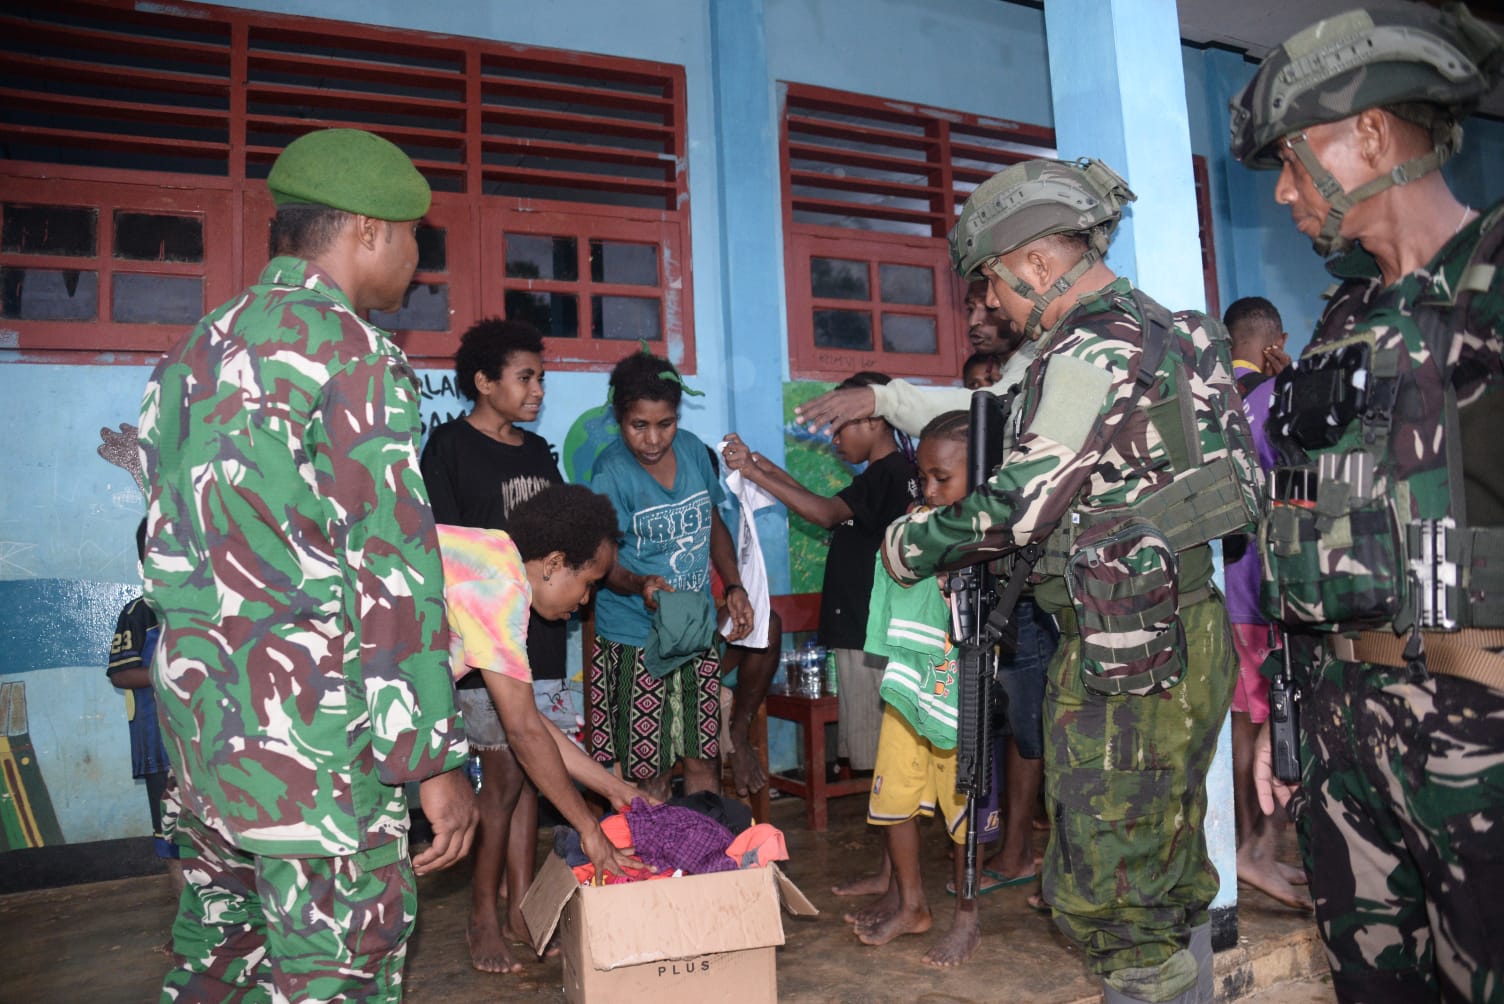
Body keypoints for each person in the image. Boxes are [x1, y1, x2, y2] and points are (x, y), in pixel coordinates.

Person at [809, 157, 1260, 1004]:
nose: (995, 308)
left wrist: (914, 543)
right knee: (1165, 856)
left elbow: (1018, 504)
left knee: (1113, 887)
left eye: (996, 288)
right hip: (1186, 627)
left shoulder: (1088, 346)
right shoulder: (1173, 329)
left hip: (1124, 652)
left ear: (1041, 265)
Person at [138, 127, 479, 1001]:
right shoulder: (353, 354)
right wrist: (431, 761)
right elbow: (391, 575)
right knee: (336, 972)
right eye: (413, 237)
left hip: (211, 739)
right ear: (367, 230)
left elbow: (168, 548)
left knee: (217, 962)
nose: (416, 260)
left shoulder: (194, 353)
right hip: (319, 753)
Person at [1230, 6, 1504, 999]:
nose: (1284, 189)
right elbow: (1304, 525)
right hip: (1342, 730)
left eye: (1296, 160)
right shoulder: (1342, 321)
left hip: (1478, 727)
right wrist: (1286, 714)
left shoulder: (1490, 276)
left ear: (1373, 134)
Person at [722, 371, 920, 895]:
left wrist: (758, 474)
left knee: (886, 763)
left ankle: (900, 880)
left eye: (839, 428)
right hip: (864, 635)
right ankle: (890, 873)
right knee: (881, 762)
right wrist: (756, 464)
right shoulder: (882, 473)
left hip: (875, 637)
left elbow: (826, 513)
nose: (835, 441)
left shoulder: (893, 472)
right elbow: (821, 503)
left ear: (875, 419)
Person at [419, 317, 567, 973]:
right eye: (525, 377)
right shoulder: (447, 448)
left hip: (542, 634)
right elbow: (442, 555)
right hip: (482, 645)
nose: (537, 389)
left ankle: (519, 906)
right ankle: (482, 917)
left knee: (532, 780)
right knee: (504, 780)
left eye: (541, 377)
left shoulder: (537, 453)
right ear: (483, 382)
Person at [437, 484, 647, 905]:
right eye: (588, 582)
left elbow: (529, 721)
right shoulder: (500, 588)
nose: (587, 600)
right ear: (553, 564)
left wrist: (615, 789)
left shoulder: (498, 556)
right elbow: (525, 734)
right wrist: (590, 829)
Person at [846, 410, 985, 968]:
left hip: (962, 691)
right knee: (895, 795)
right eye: (923, 477)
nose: (928, 489)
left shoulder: (996, 533)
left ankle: (967, 917)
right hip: (910, 684)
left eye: (941, 479)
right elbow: (896, 559)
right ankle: (912, 905)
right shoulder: (918, 525)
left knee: (963, 808)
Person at [585, 350, 754, 801]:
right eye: (639, 425)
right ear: (619, 418)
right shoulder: (610, 472)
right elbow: (605, 563)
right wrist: (640, 584)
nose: (654, 439)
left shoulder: (694, 452)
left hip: (693, 629)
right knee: (649, 767)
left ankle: (702, 859)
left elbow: (712, 520)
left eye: (666, 423)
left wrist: (733, 584)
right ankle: (660, 867)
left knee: (702, 757)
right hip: (635, 636)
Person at [1218, 297, 1310, 913]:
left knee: (1248, 721)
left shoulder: (1225, 403)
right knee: (1279, 721)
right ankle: (1258, 849)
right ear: (1275, 336)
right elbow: (1306, 489)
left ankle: (1256, 849)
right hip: (1275, 588)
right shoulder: (1282, 398)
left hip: (1234, 584)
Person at [106, 518, 185, 928]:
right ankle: (191, 927)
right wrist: (175, 673)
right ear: (144, 561)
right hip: (162, 747)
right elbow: (121, 673)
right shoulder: (138, 613)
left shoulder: (208, 607)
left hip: (212, 748)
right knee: (172, 843)